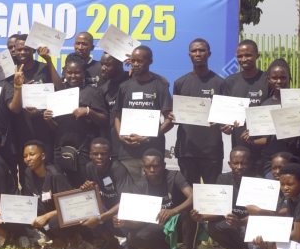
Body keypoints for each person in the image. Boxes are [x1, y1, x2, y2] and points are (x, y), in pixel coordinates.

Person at [114, 148, 195, 249]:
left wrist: (173, 211)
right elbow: (138, 221)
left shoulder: (174, 176)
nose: (152, 170)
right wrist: (124, 222)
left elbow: (193, 197)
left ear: (163, 165)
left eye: (156, 166)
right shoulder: (139, 186)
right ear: (142, 167)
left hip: (180, 224)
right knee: (134, 237)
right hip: (158, 226)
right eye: (148, 167)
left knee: (190, 212)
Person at [44, 54, 108, 183]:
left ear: (83, 73)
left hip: (83, 152)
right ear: (64, 72)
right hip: (60, 151)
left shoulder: (92, 93)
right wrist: (48, 120)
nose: (73, 76)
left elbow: (104, 120)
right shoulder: (58, 95)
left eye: (77, 72)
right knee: (61, 189)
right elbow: (58, 127)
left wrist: (88, 111)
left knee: (82, 189)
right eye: (69, 73)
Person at [172, 38, 227, 186]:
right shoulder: (179, 83)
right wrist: (174, 116)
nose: (198, 53)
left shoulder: (220, 83)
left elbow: (225, 115)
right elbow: (176, 115)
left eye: (202, 50)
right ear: (189, 54)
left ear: (209, 54)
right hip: (187, 149)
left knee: (212, 195)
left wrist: (223, 123)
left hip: (212, 150)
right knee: (189, 195)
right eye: (194, 50)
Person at [113, 46, 173, 180]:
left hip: (153, 154)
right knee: (130, 194)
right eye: (133, 61)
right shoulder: (124, 86)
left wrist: (147, 137)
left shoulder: (160, 86)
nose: (135, 64)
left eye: (140, 61)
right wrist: (121, 135)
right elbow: (117, 115)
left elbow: (169, 120)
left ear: (150, 61)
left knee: (150, 195)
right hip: (128, 153)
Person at [190, 146, 252, 249]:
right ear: (229, 164)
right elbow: (218, 210)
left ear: (250, 163)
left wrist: (240, 222)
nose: (239, 167)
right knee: (212, 227)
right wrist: (201, 217)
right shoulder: (223, 179)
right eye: (236, 163)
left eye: (243, 163)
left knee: (251, 229)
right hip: (232, 226)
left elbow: (261, 215)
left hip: (248, 225)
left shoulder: (258, 181)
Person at [6, 35, 64, 164]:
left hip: (44, 131)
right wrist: (22, 88)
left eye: (26, 49)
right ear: (14, 50)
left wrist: (48, 60)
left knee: (46, 169)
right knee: (25, 173)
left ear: (33, 50)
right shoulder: (11, 72)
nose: (22, 52)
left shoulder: (43, 68)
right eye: (19, 49)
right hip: (21, 130)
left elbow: (60, 89)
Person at [19, 141, 80, 249]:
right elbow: (27, 200)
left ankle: (74, 237)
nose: (28, 159)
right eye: (25, 156)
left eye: (32, 155)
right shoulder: (28, 172)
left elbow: (70, 205)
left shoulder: (55, 176)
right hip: (47, 208)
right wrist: (5, 209)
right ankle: (58, 239)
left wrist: (46, 216)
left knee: (54, 223)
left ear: (42, 156)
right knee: (25, 212)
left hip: (66, 212)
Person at [78, 137, 134, 249]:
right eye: (95, 154)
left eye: (103, 154)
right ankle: (111, 242)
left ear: (110, 154)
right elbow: (93, 196)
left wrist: (99, 218)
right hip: (107, 211)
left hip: (124, 212)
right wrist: (87, 189)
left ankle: (131, 244)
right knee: (88, 205)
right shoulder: (89, 167)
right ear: (90, 155)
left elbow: (127, 202)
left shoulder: (118, 169)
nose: (99, 157)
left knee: (125, 212)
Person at [221, 40, 271, 170]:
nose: (244, 59)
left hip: (264, 148)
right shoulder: (230, 81)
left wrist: (257, 128)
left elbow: (273, 110)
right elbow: (225, 113)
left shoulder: (267, 80)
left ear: (257, 55)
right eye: (239, 56)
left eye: (248, 55)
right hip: (239, 147)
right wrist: (225, 126)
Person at [97, 52, 128, 141]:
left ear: (119, 64)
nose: (102, 68)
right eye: (101, 64)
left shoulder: (133, 79)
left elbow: (164, 83)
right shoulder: (102, 90)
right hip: (114, 142)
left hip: (136, 140)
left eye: (107, 65)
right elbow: (103, 122)